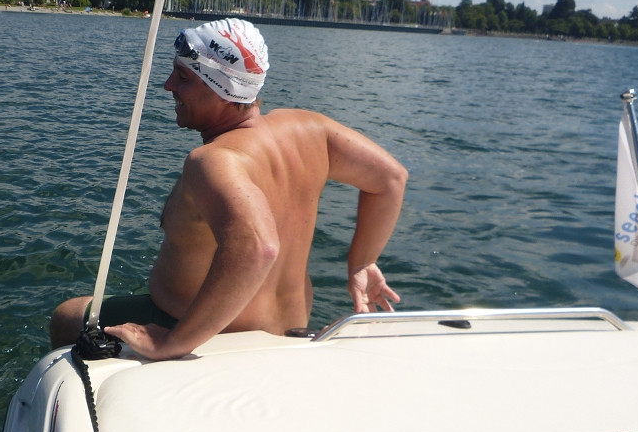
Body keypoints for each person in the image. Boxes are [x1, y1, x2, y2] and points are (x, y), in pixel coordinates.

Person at [50, 18, 407, 360]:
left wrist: (173, 342)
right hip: (291, 328)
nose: (168, 85)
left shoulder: (214, 161)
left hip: (208, 333)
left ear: (223, 89)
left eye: (184, 77)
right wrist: (362, 261)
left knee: (67, 316)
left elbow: (258, 247)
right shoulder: (312, 130)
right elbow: (390, 179)